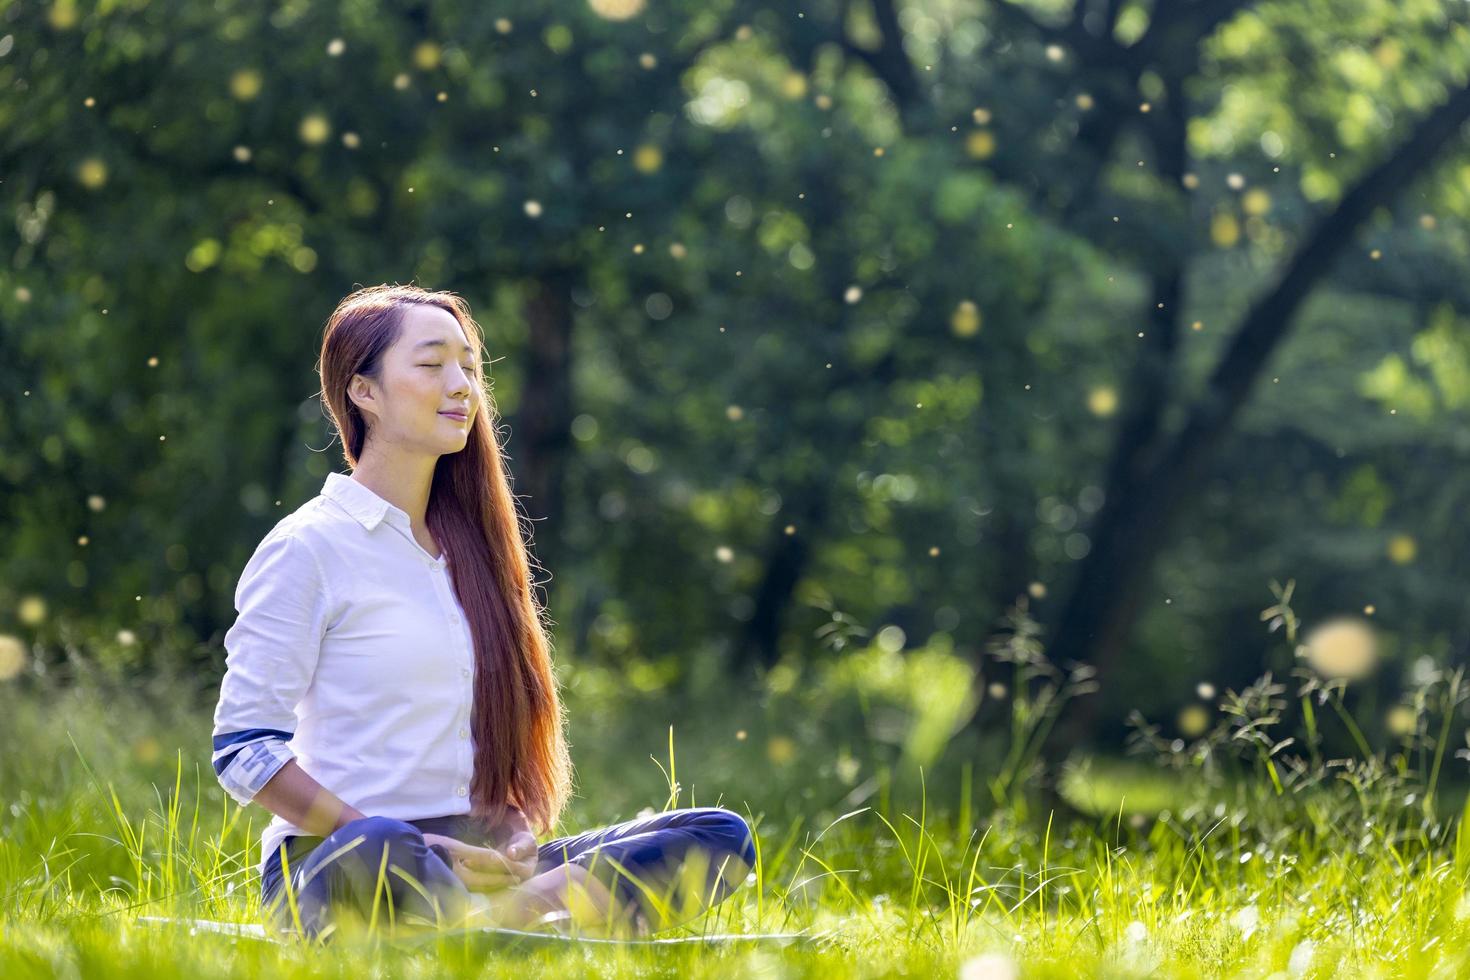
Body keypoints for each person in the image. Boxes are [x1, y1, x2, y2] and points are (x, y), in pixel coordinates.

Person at [211, 283, 756, 941]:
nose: (462, 384)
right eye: (432, 363)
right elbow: (244, 749)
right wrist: (381, 835)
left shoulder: (472, 553)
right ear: (364, 391)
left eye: (469, 365)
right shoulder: (311, 545)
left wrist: (515, 834)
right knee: (381, 848)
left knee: (718, 837)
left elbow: (478, 763)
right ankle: (523, 929)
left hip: (473, 865)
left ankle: (494, 924)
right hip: (345, 859)